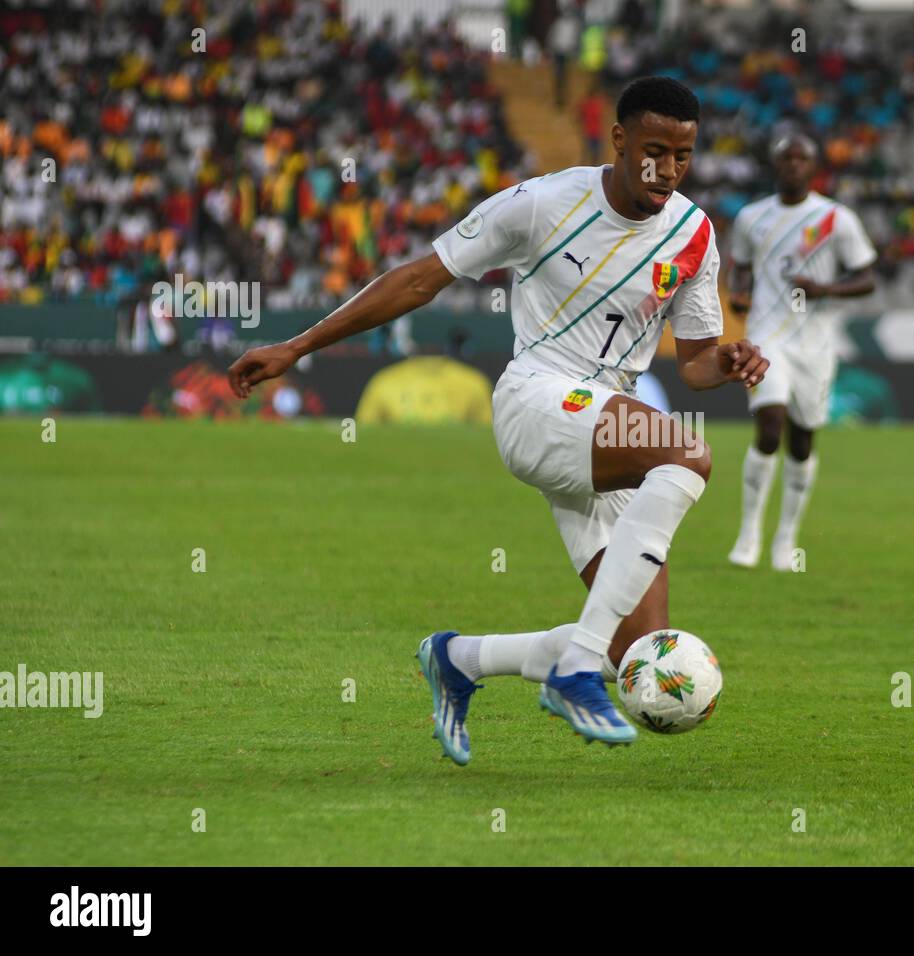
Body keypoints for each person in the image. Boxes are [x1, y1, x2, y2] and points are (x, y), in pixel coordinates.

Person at [227, 76, 767, 765]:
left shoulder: (693, 233)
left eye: (683, 156)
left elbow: (693, 362)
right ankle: (572, 667)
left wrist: (730, 360)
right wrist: (298, 345)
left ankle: (460, 660)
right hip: (538, 399)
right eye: (653, 150)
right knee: (686, 454)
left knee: (635, 655)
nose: (666, 170)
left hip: (604, 429)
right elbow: (422, 277)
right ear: (620, 138)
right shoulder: (541, 204)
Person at [725, 134, 876, 571]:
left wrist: (825, 288)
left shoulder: (835, 218)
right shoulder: (752, 217)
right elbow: (742, 269)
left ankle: (786, 538)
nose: (793, 164)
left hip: (815, 342)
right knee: (769, 426)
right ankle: (749, 533)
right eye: (786, 158)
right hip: (766, 335)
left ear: (814, 166)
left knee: (802, 440)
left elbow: (867, 277)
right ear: (774, 164)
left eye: (802, 158)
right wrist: (739, 295)